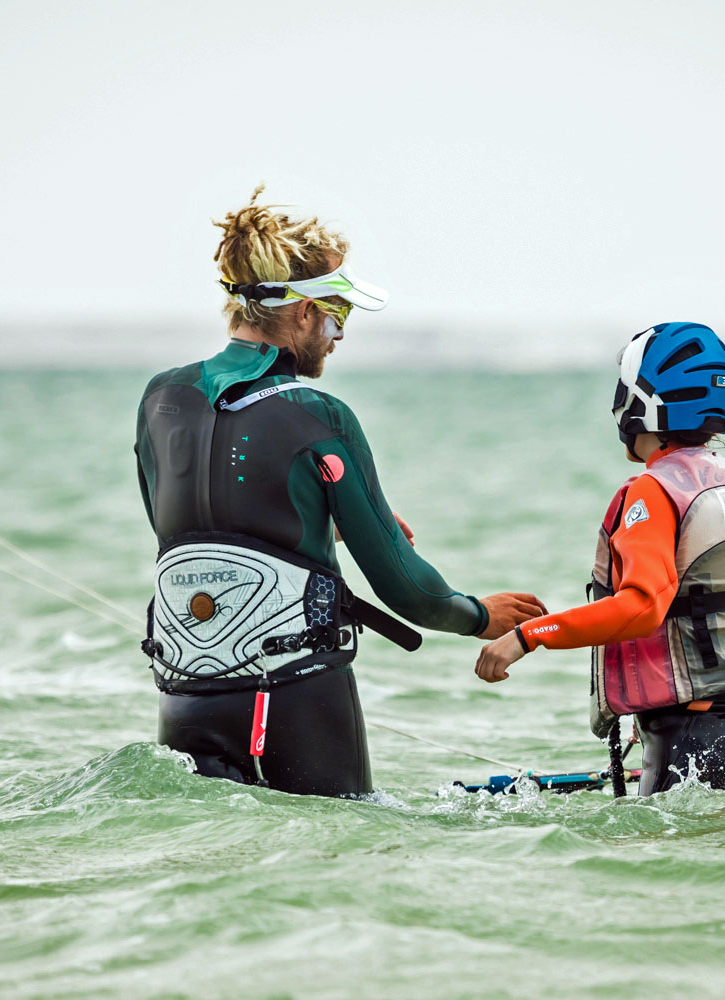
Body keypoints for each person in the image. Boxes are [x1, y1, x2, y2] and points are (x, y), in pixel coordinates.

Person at [135, 187, 544, 797]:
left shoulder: (161, 397)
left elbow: (196, 530)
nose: (339, 335)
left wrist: (324, 518)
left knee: (211, 865)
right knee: (341, 854)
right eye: (337, 316)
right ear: (302, 314)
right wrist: (478, 615)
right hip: (296, 691)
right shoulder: (317, 412)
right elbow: (405, 588)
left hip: (187, 690)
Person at [473, 323, 725, 794]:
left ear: (638, 404)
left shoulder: (654, 492)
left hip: (700, 740)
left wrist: (527, 637)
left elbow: (641, 607)